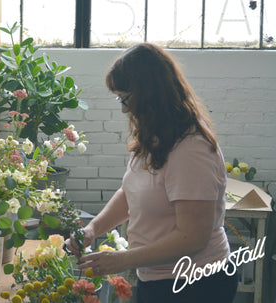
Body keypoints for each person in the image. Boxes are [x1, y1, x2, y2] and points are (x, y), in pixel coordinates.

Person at [67, 43, 238, 303]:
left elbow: (193, 237)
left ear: (149, 95)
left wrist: (122, 260)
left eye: (125, 98)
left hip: (194, 284)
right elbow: (130, 192)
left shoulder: (191, 149)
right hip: (159, 278)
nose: (124, 108)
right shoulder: (157, 135)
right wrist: (92, 229)